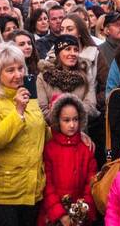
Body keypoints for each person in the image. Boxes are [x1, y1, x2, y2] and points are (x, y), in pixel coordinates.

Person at [0, 42, 48, 226]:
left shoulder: (28, 96)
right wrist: (18, 111)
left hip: (31, 192)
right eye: (10, 70)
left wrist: (68, 135)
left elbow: (39, 133)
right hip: (0, 196)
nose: (18, 75)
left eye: (21, 68)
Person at [38, 94, 97, 226]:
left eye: (75, 119)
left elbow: (91, 181)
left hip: (80, 216)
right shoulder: (49, 149)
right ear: (57, 120)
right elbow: (47, 185)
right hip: (54, 217)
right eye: (66, 120)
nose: (72, 125)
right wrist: (60, 214)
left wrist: (83, 208)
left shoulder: (86, 148)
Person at [37, 35, 97, 119]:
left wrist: (68, 115)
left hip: (79, 129)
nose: (72, 53)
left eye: (75, 50)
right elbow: (41, 110)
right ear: (58, 53)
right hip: (53, 130)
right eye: (68, 49)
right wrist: (64, 119)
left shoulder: (85, 75)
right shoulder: (44, 76)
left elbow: (91, 106)